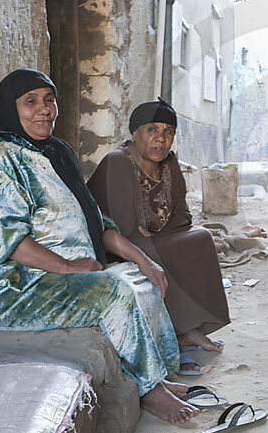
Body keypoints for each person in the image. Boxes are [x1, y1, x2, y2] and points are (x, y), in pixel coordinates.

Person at [0, 70, 198, 423]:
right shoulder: (0, 161)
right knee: (112, 293)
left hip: (64, 273)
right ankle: (151, 393)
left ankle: (160, 374)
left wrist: (144, 261)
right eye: (30, 102)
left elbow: (96, 220)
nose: (44, 109)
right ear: (11, 109)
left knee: (144, 282)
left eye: (49, 99)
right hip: (15, 286)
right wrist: (68, 266)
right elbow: (6, 242)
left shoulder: (57, 151)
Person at [87, 99, 231, 376]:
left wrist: (157, 230)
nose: (160, 139)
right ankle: (174, 336)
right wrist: (157, 232)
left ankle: (189, 328)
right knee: (160, 250)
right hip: (117, 246)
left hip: (152, 237)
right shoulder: (117, 162)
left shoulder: (170, 163)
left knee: (200, 238)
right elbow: (123, 227)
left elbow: (182, 215)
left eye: (168, 131)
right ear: (135, 133)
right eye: (152, 130)